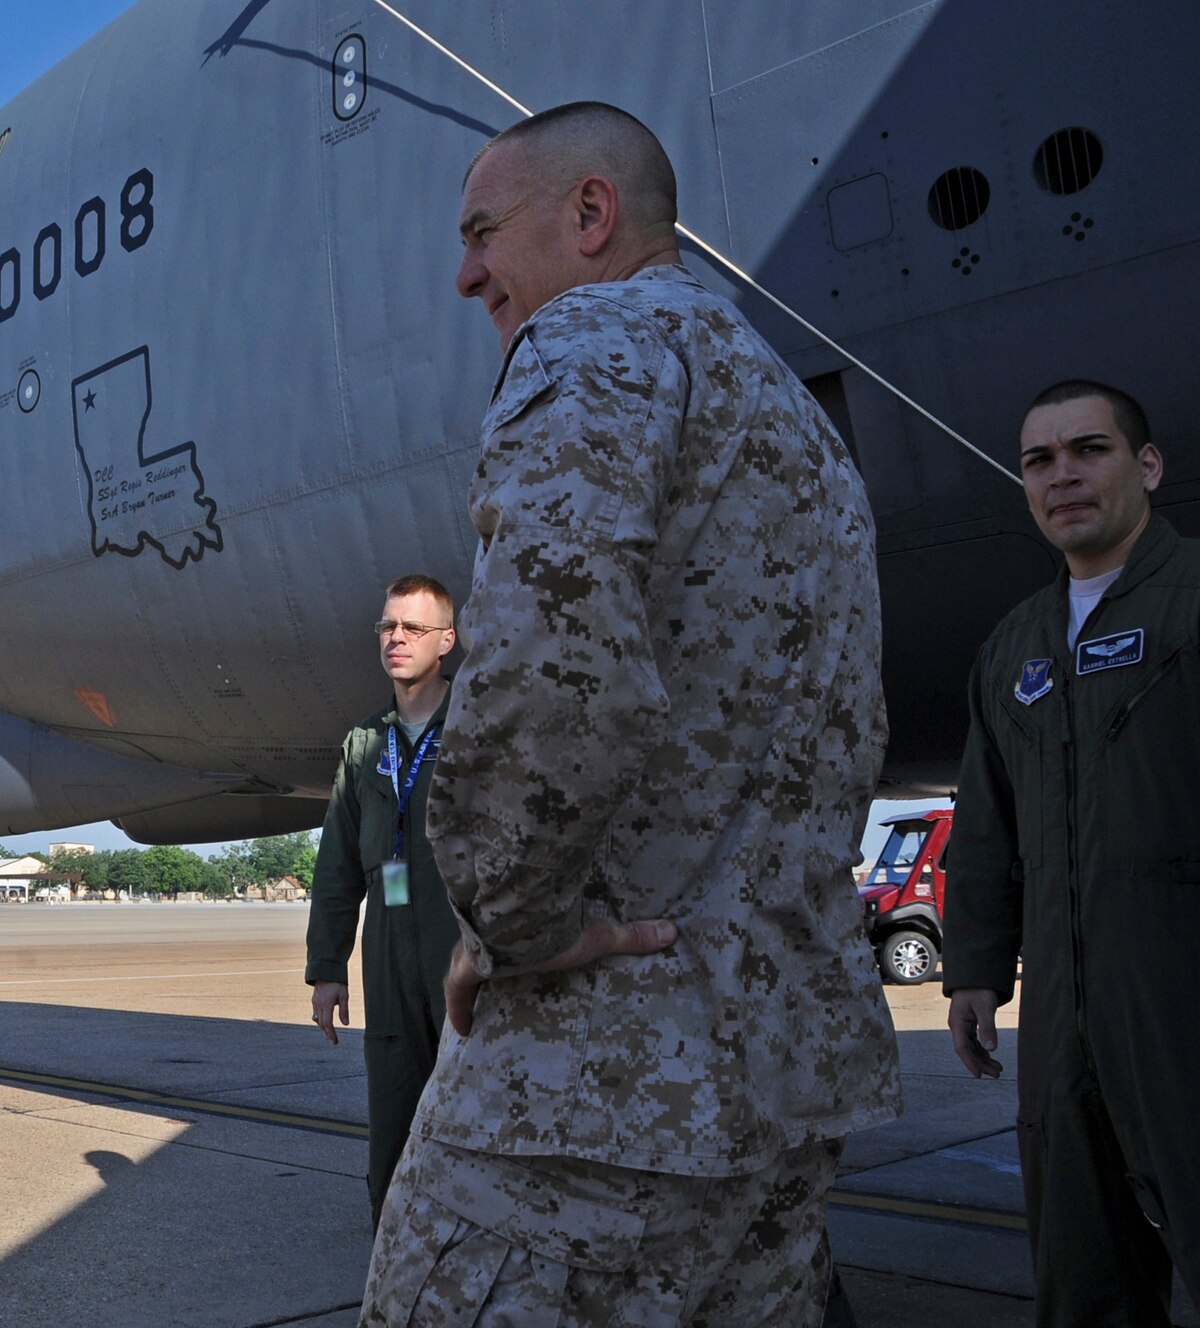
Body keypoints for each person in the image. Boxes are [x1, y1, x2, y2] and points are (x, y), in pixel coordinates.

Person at [359, 103, 899, 1325]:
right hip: (780, 1084)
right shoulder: (800, 430)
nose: (463, 273)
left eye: (482, 231)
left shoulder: (589, 341)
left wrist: (512, 921)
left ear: (588, 213)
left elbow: (551, 667)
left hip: (598, 1087)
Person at [945, 380, 1198, 1324]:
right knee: (1085, 1278)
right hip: (1063, 1022)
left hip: (1180, 1002)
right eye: (1039, 462)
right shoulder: (1014, 648)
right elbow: (986, 822)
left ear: (1147, 466)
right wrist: (973, 967)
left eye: (1088, 450)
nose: (1063, 477)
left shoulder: (1192, 602)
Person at [305, 573, 464, 1226]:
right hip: (388, 953)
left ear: (447, 642)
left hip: (462, 952)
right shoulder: (365, 744)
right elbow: (338, 863)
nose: (396, 639)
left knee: (470, 1122)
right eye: (388, 627)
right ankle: (396, 1280)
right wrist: (326, 967)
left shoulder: (476, 730)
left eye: (414, 628)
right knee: (393, 1126)